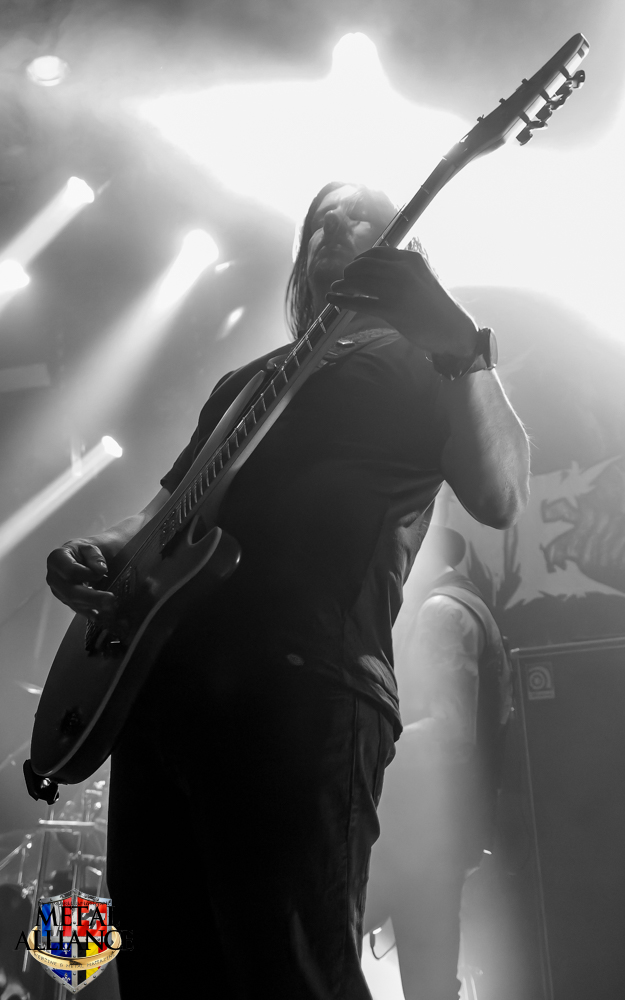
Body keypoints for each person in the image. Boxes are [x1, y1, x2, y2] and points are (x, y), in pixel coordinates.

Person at [45, 181, 530, 999]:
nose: (332, 225)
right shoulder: (247, 381)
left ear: (403, 248)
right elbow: (158, 518)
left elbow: (500, 493)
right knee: (166, 975)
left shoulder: (427, 361)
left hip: (303, 686)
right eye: (317, 221)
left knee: (293, 974)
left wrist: (458, 343)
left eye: (358, 214)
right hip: (162, 697)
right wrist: (94, 550)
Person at [365, 525, 512, 1000]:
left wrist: (367, 748)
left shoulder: (442, 612)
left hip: (424, 838)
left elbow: (448, 735)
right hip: (438, 836)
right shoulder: (462, 603)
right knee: (429, 982)